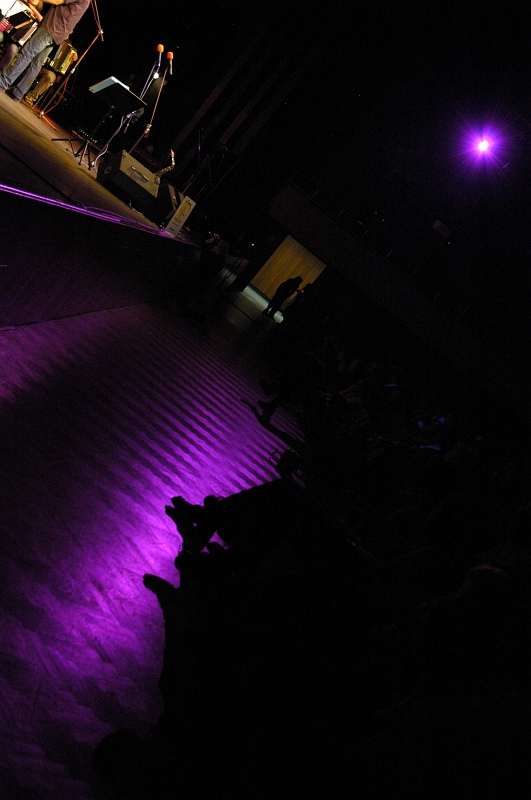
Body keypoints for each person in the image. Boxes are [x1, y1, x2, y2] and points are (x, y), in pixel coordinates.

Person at [0, 0, 88, 101]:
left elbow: (57, 1)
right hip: (58, 34)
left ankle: (3, 82)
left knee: (27, 53)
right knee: (36, 63)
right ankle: (17, 93)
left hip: (51, 27)